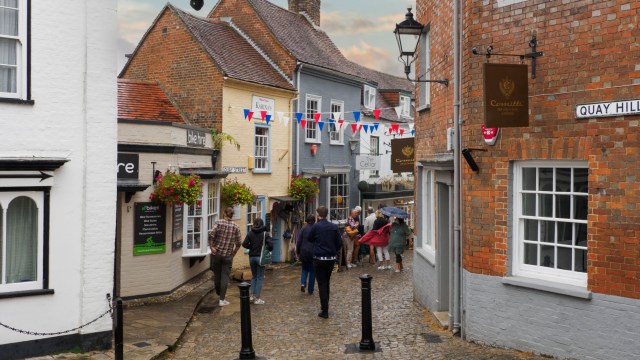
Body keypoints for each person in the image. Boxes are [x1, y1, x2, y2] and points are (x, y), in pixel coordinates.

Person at [308, 206, 342, 319]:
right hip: (331, 259)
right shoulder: (334, 227)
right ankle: (326, 306)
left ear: (318, 215)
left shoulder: (316, 227)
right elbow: (339, 243)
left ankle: (325, 310)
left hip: (319, 258)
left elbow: (310, 238)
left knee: (322, 283)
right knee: (326, 282)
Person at [209, 207, 242, 306]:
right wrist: (234, 253)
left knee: (217, 274)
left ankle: (219, 292)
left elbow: (211, 235)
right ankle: (222, 299)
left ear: (224, 213)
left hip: (217, 254)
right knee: (224, 277)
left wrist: (211, 247)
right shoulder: (236, 226)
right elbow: (239, 243)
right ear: (232, 215)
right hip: (228, 255)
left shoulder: (218, 223)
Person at [242, 218, 273, 305]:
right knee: (260, 277)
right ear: (262, 224)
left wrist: (251, 247)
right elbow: (271, 245)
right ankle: (257, 298)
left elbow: (244, 244)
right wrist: (266, 248)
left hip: (251, 257)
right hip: (260, 257)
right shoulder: (265, 234)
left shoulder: (250, 233)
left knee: (254, 277)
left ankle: (251, 296)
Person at [296, 215, 316, 295]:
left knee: (304, 269)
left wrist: (298, 251)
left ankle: (303, 283)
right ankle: (310, 290)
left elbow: (299, 241)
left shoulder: (303, 229)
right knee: (312, 271)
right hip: (313, 252)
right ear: (314, 221)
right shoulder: (315, 228)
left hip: (304, 251)